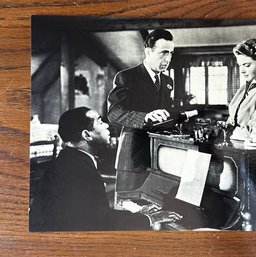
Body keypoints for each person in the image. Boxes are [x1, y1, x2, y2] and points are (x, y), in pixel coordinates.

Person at [29, 107, 181, 231]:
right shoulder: (79, 171)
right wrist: (151, 218)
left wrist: (140, 212)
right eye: (100, 123)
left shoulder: (70, 160)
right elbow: (101, 222)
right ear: (87, 135)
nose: (107, 126)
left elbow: (95, 214)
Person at [107, 28, 174, 190]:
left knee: (155, 205)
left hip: (160, 155)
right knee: (129, 207)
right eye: (163, 53)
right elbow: (114, 113)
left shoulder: (167, 81)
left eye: (171, 53)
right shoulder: (127, 77)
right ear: (148, 52)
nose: (168, 58)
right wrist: (145, 117)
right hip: (133, 155)